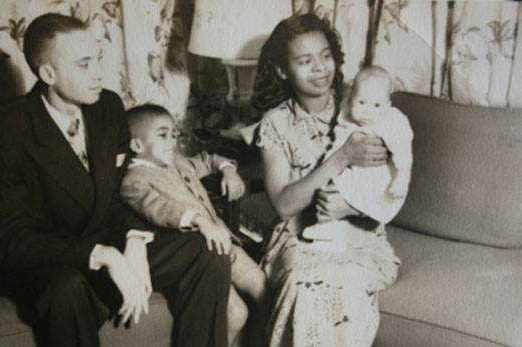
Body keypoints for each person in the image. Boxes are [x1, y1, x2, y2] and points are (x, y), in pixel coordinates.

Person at [0, 13, 230, 347]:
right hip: (52, 260)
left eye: (98, 59)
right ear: (48, 73)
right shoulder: (5, 129)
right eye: (84, 65)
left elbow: (120, 193)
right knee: (64, 289)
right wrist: (105, 255)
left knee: (205, 250)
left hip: (110, 238)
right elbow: (10, 239)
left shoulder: (107, 106)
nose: (99, 73)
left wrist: (135, 241)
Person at [250, 13, 400, 346]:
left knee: (342, 283)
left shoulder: (362, 109)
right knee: (306, 286)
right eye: (305, 61)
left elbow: (391, 192)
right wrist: (341, 158)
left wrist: (350, 207)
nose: (320, 68)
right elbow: (284, 205)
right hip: (296, 240)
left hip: (359, 239)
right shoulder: (275, 124)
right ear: (282, 69)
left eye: (325, 56)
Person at [120, 104, 267, 347]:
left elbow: (208, 160)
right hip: (202, 258)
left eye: (174, 134)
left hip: (223, 246)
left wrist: (228, 170)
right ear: (137, 146)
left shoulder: (176, 162)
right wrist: (198, 220)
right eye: (162, 135)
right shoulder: (134, 181)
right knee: (236, 313)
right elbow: (159, 208)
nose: (172, 141)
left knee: (264, 291)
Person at [302, 65, 413, 242]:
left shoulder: (390, 119)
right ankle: (328, 230)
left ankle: (335, 229)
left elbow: (402, 149)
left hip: (373, 169)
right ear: (351, 99)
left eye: (376, 105)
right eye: (361, 102)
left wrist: (402, 176)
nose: (367, 110)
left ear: (388, 105)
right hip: (344, 162)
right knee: (328, 189)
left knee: (356, 191)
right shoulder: (346, 110)